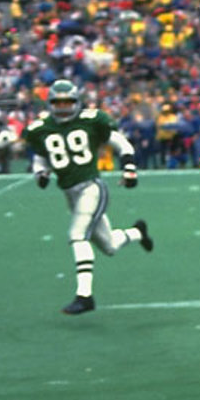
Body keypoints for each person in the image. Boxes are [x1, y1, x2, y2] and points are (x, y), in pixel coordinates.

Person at [23, 79, 153, 315]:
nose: (63, 107)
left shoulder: (91, 120)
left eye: (67, 102)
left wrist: (129, 168)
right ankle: (138, 232)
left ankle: (84, 296)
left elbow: (121, 143)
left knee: (77, 235)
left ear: (77, 102)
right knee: (109, 246)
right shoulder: (40, 128)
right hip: (70, 193)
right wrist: (40, 172)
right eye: (58, 102)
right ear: (50, 103)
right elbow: (41, 155)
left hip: (91, 187)